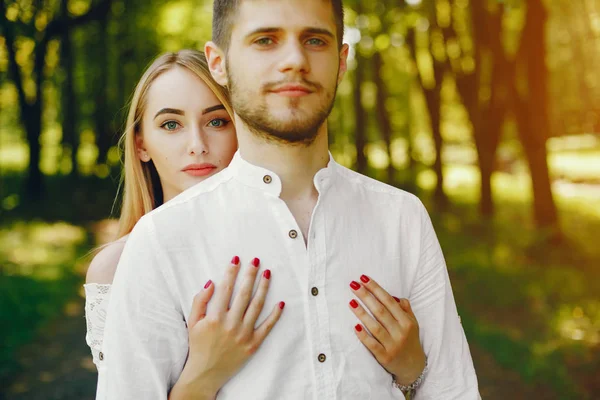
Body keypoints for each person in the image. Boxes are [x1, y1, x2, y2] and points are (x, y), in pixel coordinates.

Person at [99, 0, 481, 398]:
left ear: (342, 59)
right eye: (266, 40)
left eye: (315, 40)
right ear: (218, 62)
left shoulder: (402, 217)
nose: (295, 60)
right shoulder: (161, 239)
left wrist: (414, 376)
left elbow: (452, 391)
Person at [84, 50, 285, 399]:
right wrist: (204, 374)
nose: (197, 146)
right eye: (171, 125)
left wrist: (411, 368)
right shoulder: (116, 267)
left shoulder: (286, 238)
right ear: (141, 144)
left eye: (217, 121)